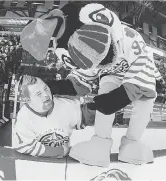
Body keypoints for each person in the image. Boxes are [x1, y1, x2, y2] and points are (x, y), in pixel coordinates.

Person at [64, 3, 162, 167]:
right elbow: (81, 78)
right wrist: (59, 86)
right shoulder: (88, 45)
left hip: (138, 71)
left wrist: (116, 99)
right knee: (106, 88)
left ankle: (132, 142)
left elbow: (143, 72)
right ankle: (100, 142)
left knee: (145, 99)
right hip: (111, 74)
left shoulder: (130, 37)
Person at [13, 75, 95, 158]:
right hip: (36, 167)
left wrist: (98, 108)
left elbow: (88, 116)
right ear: (28, 100)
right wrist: (61, 151)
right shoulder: (24, 117)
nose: (46, 94)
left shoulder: (65, 105)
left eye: (46, 88)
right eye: (39, 94)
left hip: (62, 165)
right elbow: (23, 146)